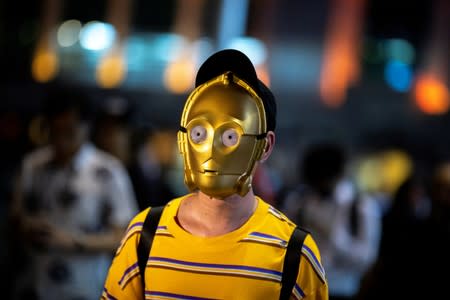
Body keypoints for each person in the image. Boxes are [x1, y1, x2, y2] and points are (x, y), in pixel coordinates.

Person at [102, 49, 328, 299]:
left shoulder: (294, 253)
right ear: (184, 138)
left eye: (230, 136)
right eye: (199, 133)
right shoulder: (145, 234)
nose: (211, 151)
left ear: (265, 145)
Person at [10, 85, 138, 300]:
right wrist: (26, 225)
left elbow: (126, 237)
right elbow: (14, 217)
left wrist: (73, 241)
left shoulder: (108, 171)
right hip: (33, 286)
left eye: (69, 131)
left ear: (85, 127)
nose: (61, 139)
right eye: (55, 130)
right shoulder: (32, 165)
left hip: (84, 289)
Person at [282, 143, 380, 300]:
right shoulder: (299, 204)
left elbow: (367, 258)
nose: (320, 186)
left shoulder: (361, 206)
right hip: (302, 292)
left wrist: (335, 238)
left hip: (344, 290)